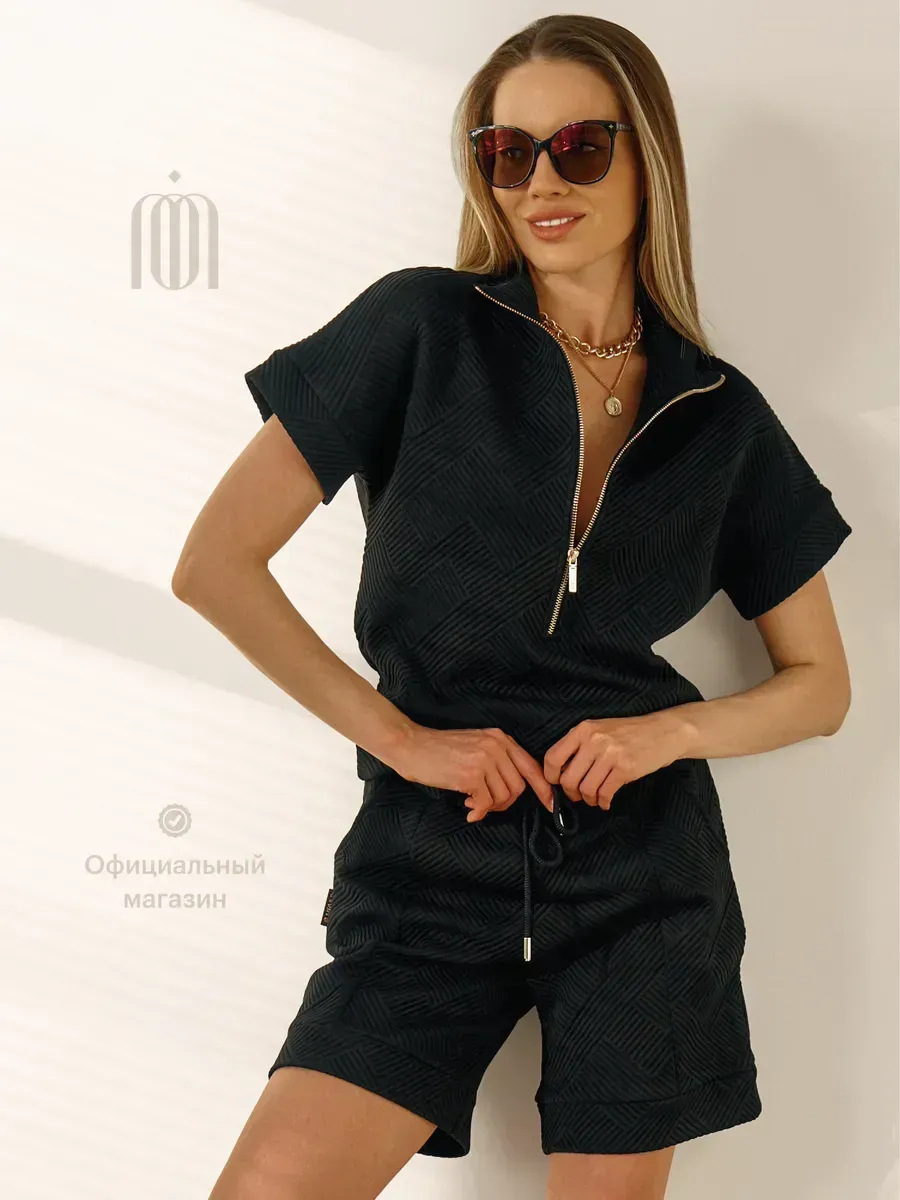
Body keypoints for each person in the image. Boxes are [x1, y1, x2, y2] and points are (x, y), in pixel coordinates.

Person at [175, 14, 852, 1200]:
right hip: (428, 865)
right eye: (506, 152)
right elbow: (216, 563)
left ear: (647, 158)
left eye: (580, 147)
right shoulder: (421, 328)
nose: (541, 181)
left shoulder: (720, 416)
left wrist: (662, 734)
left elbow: (821, 687)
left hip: (643, 886)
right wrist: (403, 741)